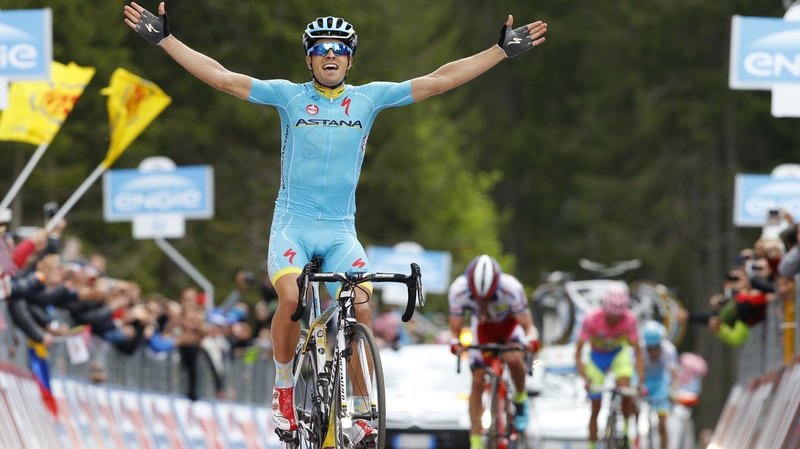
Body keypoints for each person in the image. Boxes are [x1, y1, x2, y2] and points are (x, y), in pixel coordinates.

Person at [122, 3, 547, 444]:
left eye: (340, 49)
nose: (331, 55)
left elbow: (440, 79)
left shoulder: (369, 98)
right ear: (309, 59)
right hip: (294, 225)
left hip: (342, 230)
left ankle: (362, 405)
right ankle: (284, 388)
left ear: (350, 58)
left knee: (361, 304)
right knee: (291, 299)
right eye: (321, 49)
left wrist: (499, 51)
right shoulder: (289, 95)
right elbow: (223, 78)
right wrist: (167, 40)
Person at [448, 255, 540, 449]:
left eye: (488, 298)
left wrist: (531, 341)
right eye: (478, 298)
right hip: (483, 330)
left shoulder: (512, 288)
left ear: (497, 287)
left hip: (510, 328)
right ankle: (475, 441)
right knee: (477, 379)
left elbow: (529, 327)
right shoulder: (458, 290)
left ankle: (520, 399)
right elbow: (455, 331)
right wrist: (455, 343)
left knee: (513, 358)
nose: (483, 303)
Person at [574, 282, 645, 449]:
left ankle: (626, 432)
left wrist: (640, 382)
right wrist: (585, 378)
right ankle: (592, 445)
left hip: (618, 356)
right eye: (610, 317)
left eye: (617, 317)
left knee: (626, 389)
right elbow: (577, 353)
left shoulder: (629, 320)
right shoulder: (591, 319)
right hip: (597, 358)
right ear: (604, 309)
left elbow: (638, 353)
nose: (614, 321)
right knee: (595, 408)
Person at [636, 320, 678, 449]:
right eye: (650, 348)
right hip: (643, 381)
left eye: (656, 348)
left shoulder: (669, 350)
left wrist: (672, 391)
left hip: (660, 384)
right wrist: (637, 387)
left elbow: (675, 376)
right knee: (634, 410)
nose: (653, 352)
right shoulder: (639, 349)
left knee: (663, 425)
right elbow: (635, 371)